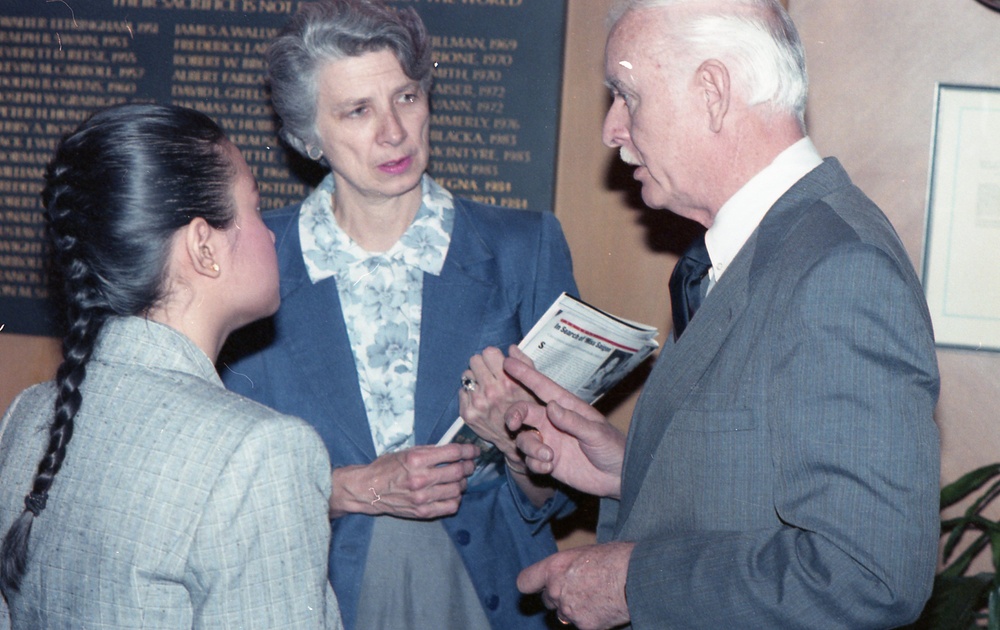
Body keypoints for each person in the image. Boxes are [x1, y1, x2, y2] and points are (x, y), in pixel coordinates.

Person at [493, 1, 942, 628]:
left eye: (626, 96)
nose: (612, 129)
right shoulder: (763, 246)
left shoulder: (837, 270)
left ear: (711, 91)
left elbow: (866, 572)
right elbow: (766, 484)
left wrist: (629, 583)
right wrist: (635, 469)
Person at [219, 1, 578, 628]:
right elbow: (216, 492)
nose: (393, 132)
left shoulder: (524, 248)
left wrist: (517, 445)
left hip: (491, 597)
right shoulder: (255, 261)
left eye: (406, 98)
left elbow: (560, 497)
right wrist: (347, 488)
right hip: (315, 599)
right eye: (358, 110)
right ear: (308, 136)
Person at [0, 103, 342, 628]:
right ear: (204, 247)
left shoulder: (28, 417)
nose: (270, 232)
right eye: (255, 207)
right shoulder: (260, 452)